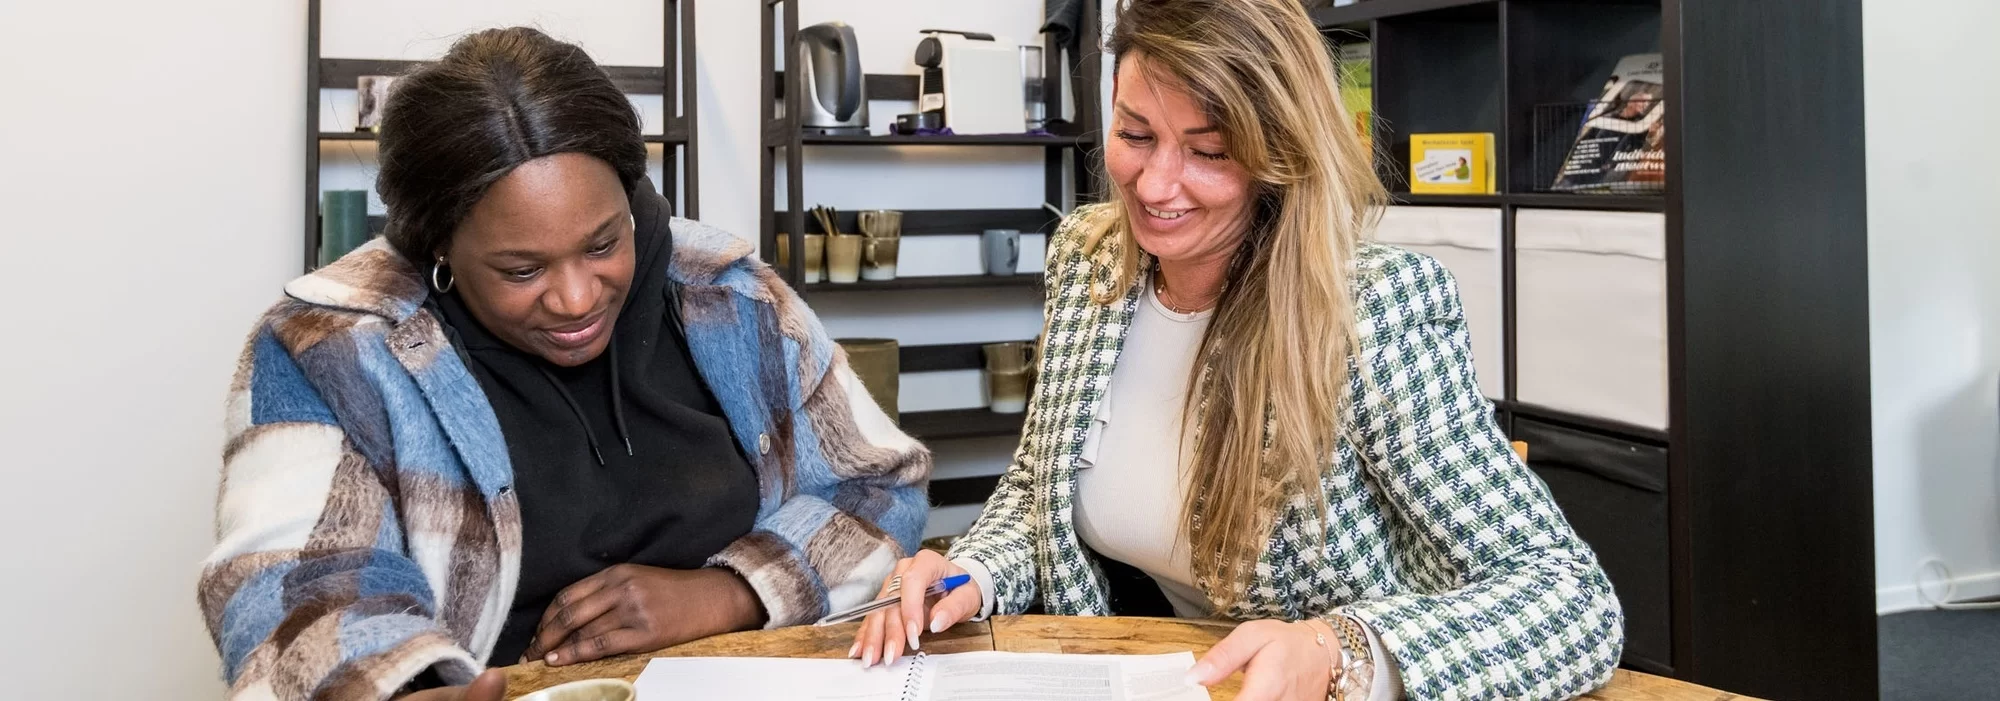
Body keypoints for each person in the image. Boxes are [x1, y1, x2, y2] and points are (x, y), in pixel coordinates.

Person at [851, 1, 1624, 699]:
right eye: (1134, 134)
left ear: (1277, 156)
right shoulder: (1087, 256)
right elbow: (1041, 485)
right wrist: (974, 570)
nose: (1156, 183)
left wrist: (1341, 651)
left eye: (1209, 152)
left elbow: (1570, 598)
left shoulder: (1373, 308)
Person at [198, 28, 930, 701]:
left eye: (604, 242)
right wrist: (400, 685)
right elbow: (292, 586)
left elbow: (874, 482)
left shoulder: (730, 295)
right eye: (521, 270)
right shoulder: (327, 347)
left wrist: (730, 591)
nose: (578, 299)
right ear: (440, 246)